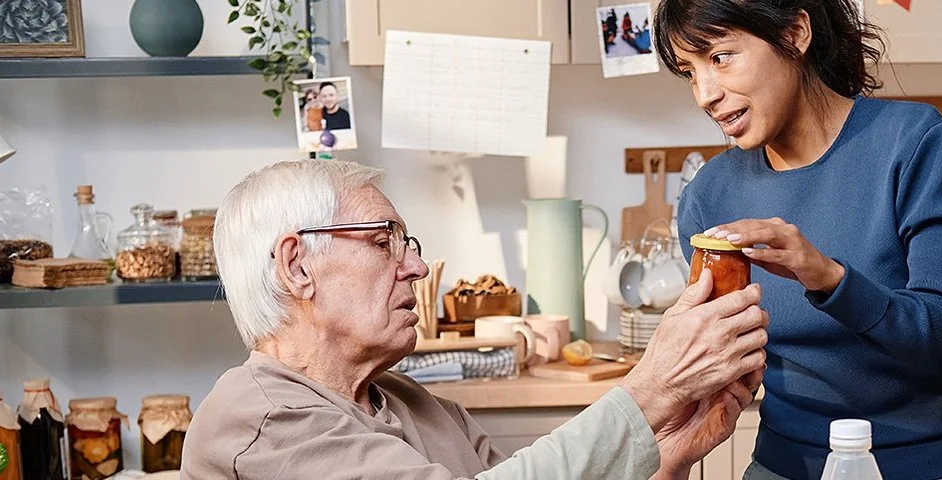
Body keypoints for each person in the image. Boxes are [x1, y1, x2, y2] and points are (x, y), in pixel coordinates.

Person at [182, 160, 770, 479]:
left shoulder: (418, 404)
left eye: (406, 242)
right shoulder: (256, 418)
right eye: (384, 242)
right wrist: (650, 390)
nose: (415, 265)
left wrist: (668, 458)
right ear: (297, 267)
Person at [655, 0, 942, 478]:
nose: (705, 94)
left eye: (720, 57)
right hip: (786, 465)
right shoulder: (710, 196)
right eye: (689, 70)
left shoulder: (916, 145)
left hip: (931, 464)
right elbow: (722, 358)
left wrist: (827, 277)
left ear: (795, 34)